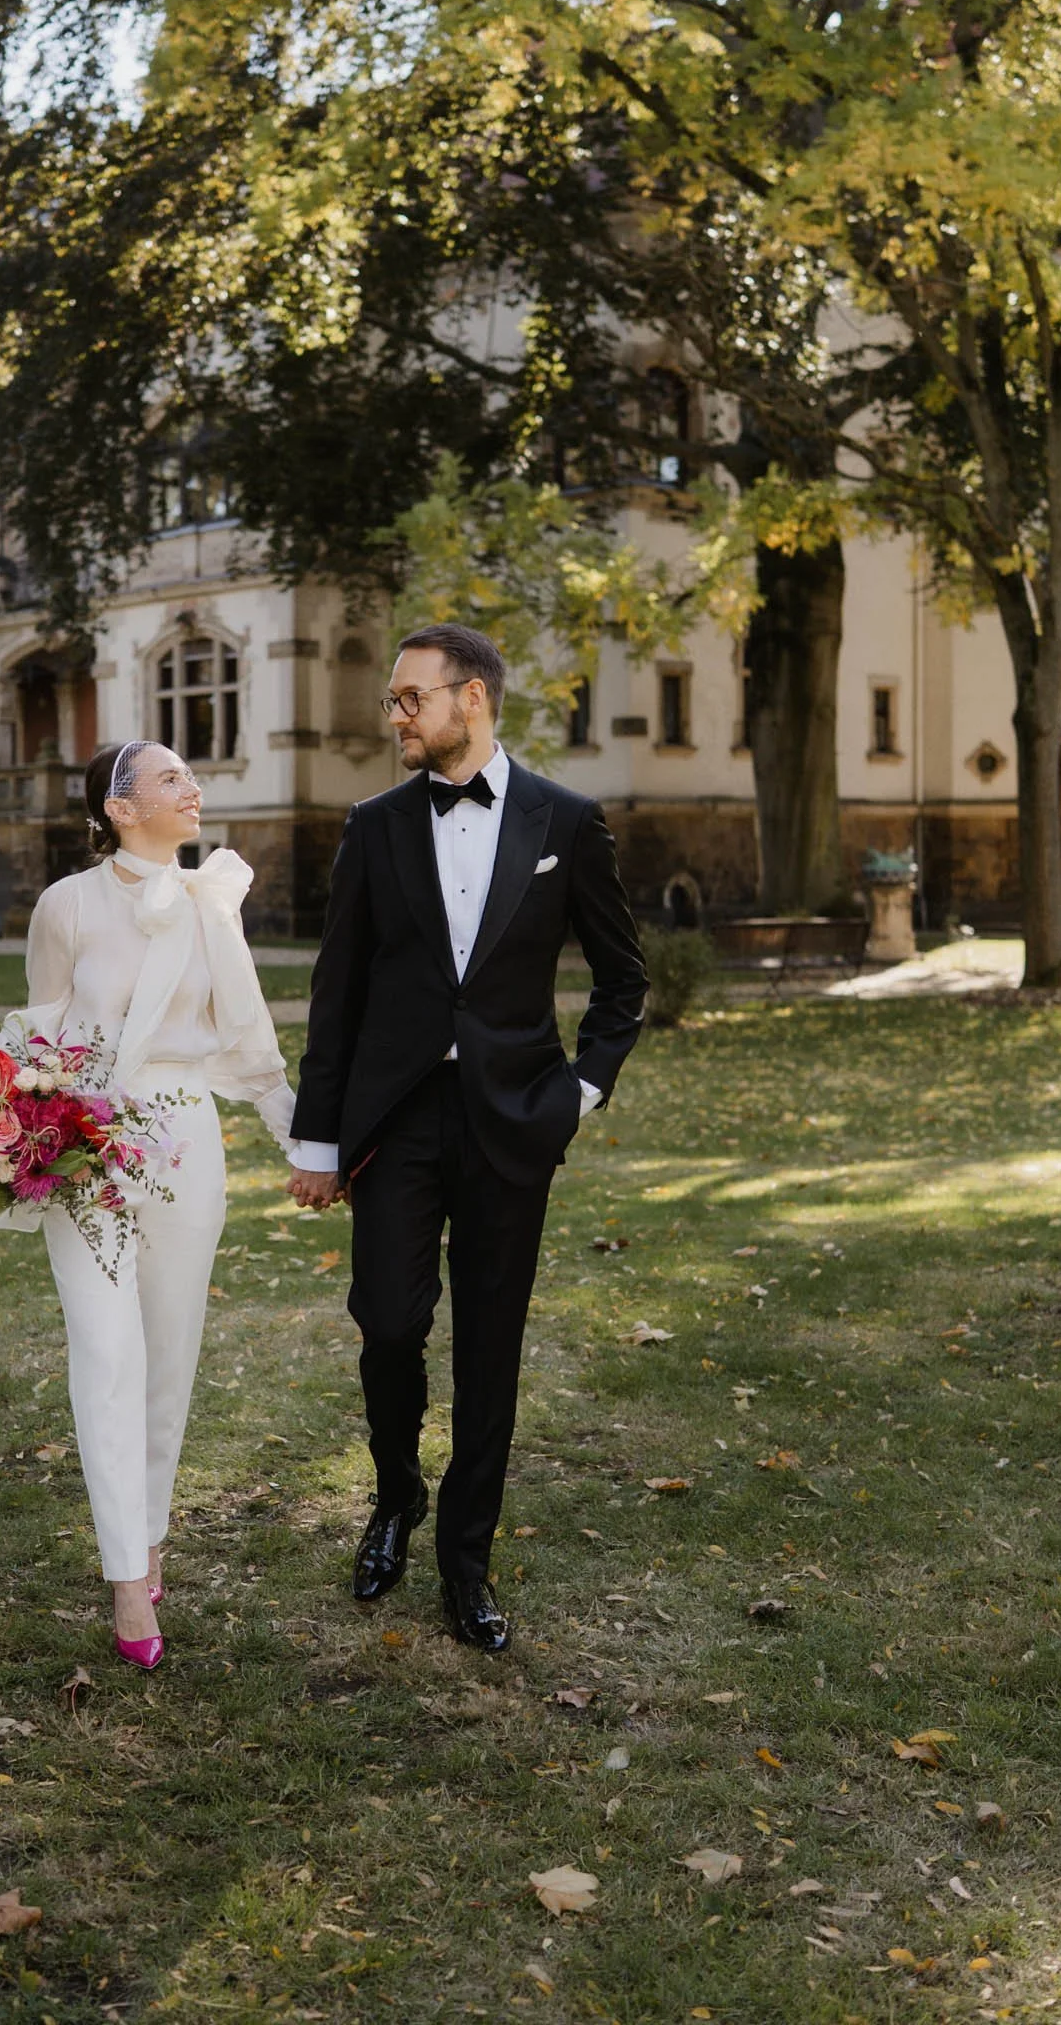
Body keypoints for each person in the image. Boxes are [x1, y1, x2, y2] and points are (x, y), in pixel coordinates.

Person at [288, 625, 647, 1652]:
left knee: (491, 1348)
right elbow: (337, 993)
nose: (394, 715)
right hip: (393, 1120)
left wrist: (577, 1094)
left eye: (410, 698)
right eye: (394, 700)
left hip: (512, 1120)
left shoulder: (565, 822)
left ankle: (465, 1560)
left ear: (472, 699)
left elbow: (623, 984)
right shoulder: (374, 825)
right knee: (389, 1323)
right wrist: (318, 1140)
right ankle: (394, 1492)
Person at [12, 739, 295, 1670]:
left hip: (184, 1139)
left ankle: (154, 1525)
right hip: (86, 1144)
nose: (195, 786)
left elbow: (249, 1038)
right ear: (121, 807)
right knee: (106, 1348)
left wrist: (303, 1138)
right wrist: (18, 1128)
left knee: (169, 1352)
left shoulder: (215, 901)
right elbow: (39, 1032)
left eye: (192, 776)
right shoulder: (67, 905)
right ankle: (126, 1573)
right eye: (173, 777)